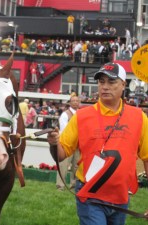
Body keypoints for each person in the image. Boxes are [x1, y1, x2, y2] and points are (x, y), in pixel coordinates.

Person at [47, 62, 148, 225]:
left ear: (123, 84)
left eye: (111, 82)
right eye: (101, 82)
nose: (105, 87)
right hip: (90, 196)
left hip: (121, 197)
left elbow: (147, 158)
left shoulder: (139, 118)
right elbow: (61, 154)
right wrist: (53, 143)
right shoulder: (81, 116)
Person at [56, 95, 80, 191]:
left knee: (76, 165)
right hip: (67, 144)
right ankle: (60, 186)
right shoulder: (65, 114)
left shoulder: (81, 114)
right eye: (73, 101)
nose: (75, 102)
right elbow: (64, 130)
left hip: (78, 144)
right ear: (70, 103)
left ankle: (74, 185)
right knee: (63, 165)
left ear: (79, 102)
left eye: (76, 101)